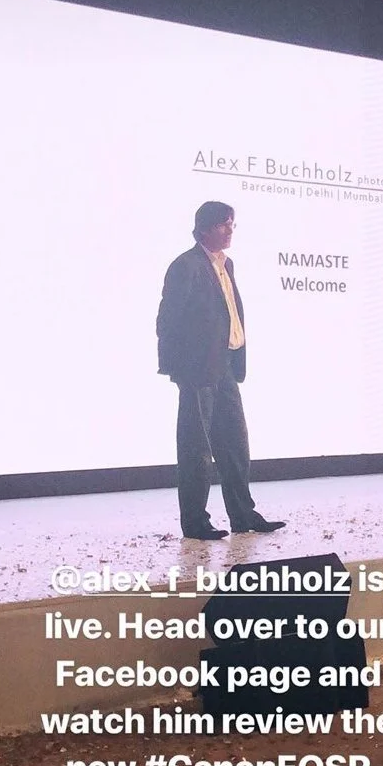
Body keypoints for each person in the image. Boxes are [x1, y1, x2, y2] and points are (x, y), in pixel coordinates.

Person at [156, 201, 286, 540]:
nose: (230, 231)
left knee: (235, 444)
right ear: (205, 228)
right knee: (196, 450)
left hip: (226, 366)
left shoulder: (227, 265)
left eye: (232, 224)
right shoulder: (186, 266)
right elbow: (167, 321)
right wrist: (178, 369)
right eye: (224, 224)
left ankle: (243, 514)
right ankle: (196, 523)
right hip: (198, 372)